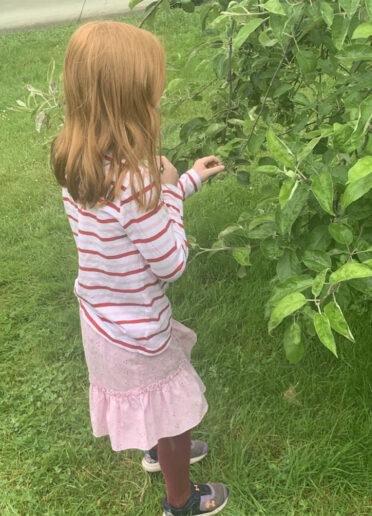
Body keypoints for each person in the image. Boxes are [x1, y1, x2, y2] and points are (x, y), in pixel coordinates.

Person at [50, 20, 228, 516]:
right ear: (130, 102)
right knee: (176, 412)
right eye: (151, 95)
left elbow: (125, 226)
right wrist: (170, 187)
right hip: (140, 330)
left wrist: (186, 179)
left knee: (152, 405)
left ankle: (155, 454)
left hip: (101, 322)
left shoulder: (74, 161)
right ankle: (182, 500)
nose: (157, 103)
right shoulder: (140, 182)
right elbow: (171, 261)